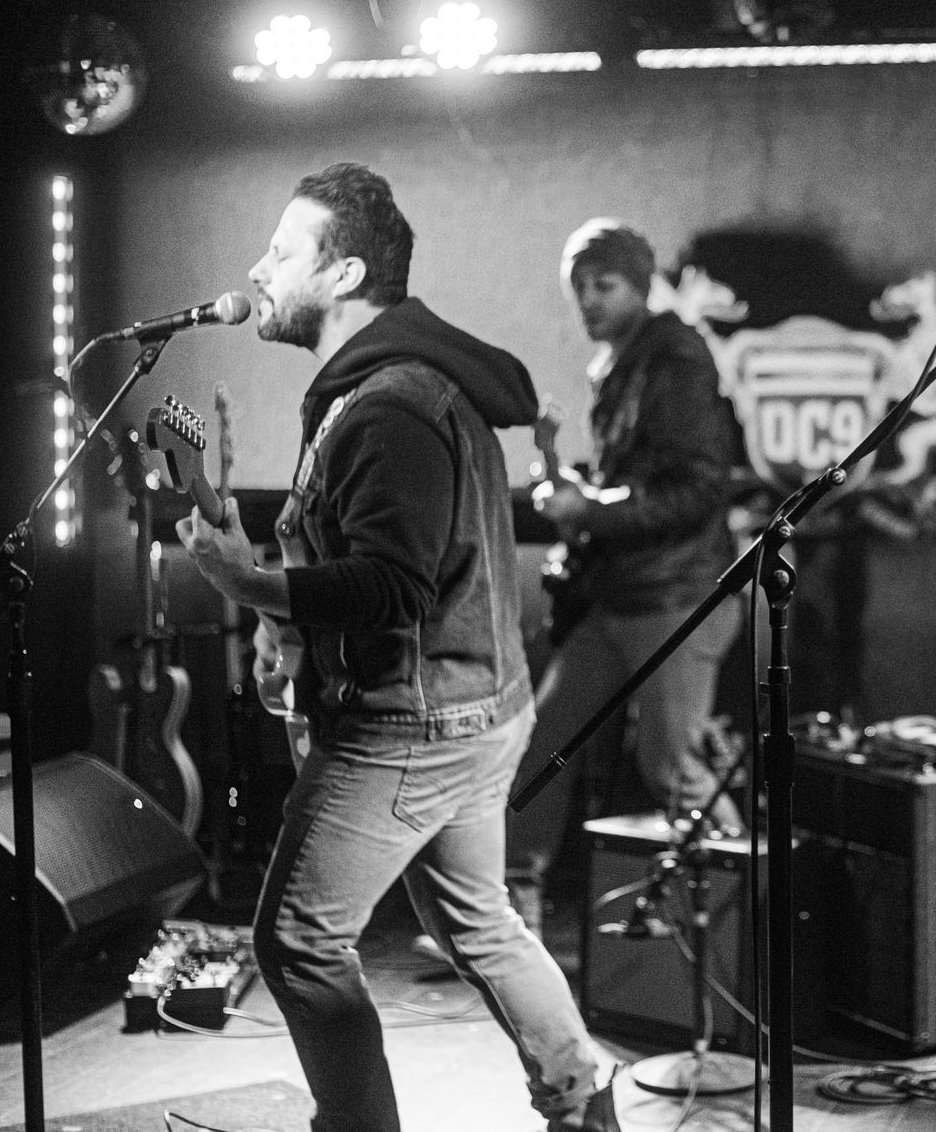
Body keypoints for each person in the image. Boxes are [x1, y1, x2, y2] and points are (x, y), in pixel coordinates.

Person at [175, 163, 618, 1132]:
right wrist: (283, 619)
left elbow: (392, 587)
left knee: (297, 942)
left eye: (282, 252)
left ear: (344, 276)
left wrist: (247, 583)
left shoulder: (389, 404)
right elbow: (368, 557)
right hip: (472, 710)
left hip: (410, 727)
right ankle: (585, 1100)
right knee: (479, 922)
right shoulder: (380, 388)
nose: (257, 269)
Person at [509, 219, 744, 892]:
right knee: (542, 747)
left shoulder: (674, 358)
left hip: (676, 598)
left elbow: (697, 490)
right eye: (578, 288)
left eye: (603, 285)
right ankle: (507, 913)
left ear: (640, 287)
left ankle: (741, 905)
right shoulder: (621, 363)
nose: (588, 300)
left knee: (673, 770)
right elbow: (636, 479)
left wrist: (590, 508)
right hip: (621, 595)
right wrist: (578, 489)